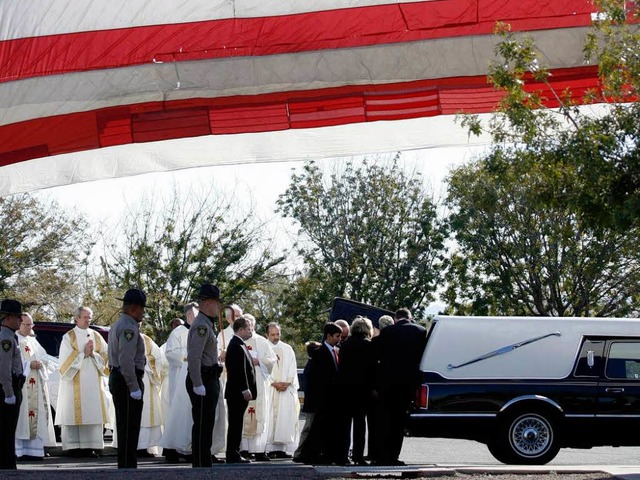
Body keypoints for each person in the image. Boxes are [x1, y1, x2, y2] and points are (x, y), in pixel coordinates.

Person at [373, 308, 427, 466]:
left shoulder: (388, 331)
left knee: (385, 420)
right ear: (410, 318)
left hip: (388, 383)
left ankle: (382, 456)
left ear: (395, 318)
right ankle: (394, 456)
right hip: (408, 383)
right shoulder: (420, 331)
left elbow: (379, 357)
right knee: (399, 422)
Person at [56, 306, 110, 458]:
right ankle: (73, 447)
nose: (88, 320)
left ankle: (91, 445)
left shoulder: (96, 336)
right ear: (77, 318)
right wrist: (82, 355)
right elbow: (64, 364)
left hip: (93, 382)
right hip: (74, 383)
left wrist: (93, 355)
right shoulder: (69, 337)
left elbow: (105, 357)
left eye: (90, 317)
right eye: (85, 317)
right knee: (74, 412)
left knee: (92, 412)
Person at [108, 288, 147, 469]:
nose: (142, 312)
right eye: (141, 308)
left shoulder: (120, 324)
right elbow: (126, 359)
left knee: (127, 426)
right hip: (126, 380)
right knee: (129, 427)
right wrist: (133, 386)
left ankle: (126, 465)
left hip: (121, 378)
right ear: (133, 308)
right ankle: (127, 468)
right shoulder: (128, 327)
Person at [186, 283, 223, 468]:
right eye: (216, 302)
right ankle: (200, 464)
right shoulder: (201, 325)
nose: (219, 307)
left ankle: (203, 462)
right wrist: (197, 383)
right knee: (202, 425)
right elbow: (194, 357)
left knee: (207, 424)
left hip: (209, 377)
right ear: (207, 302)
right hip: (203, 379)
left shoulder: (207, 324)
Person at [15, 313, 56, 460]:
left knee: (34, 418)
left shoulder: (32, 341)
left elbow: (45, 357)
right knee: (21, 418)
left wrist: (40, 364)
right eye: (27, 324)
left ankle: (34, 451)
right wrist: (28, 365)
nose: (30, 327)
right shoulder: (14, 339)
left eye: (31, 324)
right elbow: (11, 363)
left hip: (35, 385)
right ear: (19, 323)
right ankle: (18, 451)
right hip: (21, 386)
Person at [160, 303, 198, 463]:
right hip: (181, 380)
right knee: (179, 413)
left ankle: (190, 447)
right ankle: (175, 448)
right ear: (189, 315)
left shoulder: (201, 331)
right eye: (196, 313)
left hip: (197, 379)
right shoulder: (178, 333)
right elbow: (170, 354)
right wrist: (188, 355)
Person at [336, 317, 376, 466]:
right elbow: (372, 370)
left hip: (346, 389)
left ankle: (342, 455)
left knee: (345, 424)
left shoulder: (345, 346)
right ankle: (358, 456)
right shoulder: (369, 346)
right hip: (363, 390)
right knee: (360, 424)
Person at [303, 322, 342, 465]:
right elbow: (317, 378)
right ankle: (310, 454)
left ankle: (324, 454)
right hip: (323, 398)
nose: (339, 339)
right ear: (328, 336)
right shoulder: (320, 353)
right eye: (337, 336)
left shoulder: (335, 351)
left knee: (326, 429)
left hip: (332, 399)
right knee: (318, 428)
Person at [239, 313, 277, 462]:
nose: (249, 328)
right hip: (244, 383)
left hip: (259, 383)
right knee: (243, 416)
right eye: (246, 325)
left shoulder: (262, 341)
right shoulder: (238, 341)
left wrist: (258, 361)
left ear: (253, 325)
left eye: (251, 325)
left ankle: (259, 449)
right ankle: (244, 449)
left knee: (260, 415)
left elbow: (271, 360)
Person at [224, 315, 256, 464]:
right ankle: (233, 454)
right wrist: (245, 389)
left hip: (238, 392)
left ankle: (234, 452)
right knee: (235, 424)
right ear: (241, 329)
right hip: (237, 393)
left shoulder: (239, 343)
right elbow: (238, 370)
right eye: (249, 329)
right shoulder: (236, 345)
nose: (251, 331)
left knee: (237, 424)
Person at [265, 323, 299, 458]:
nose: (276, 337)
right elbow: (262, 368)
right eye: (272, 334)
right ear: (266, 334)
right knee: (270, 419)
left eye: (278, 334)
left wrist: (287, 382)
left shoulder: (287, 348)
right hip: (271, 390)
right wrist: (273, 383)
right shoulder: (264, 347)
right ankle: (268, 449)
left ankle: (282, 449)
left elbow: (292, 367)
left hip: (285, 390)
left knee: (284, 419)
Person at [0, 299, 25, 469]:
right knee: (6, 431)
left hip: (10, 387)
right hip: (7, 390)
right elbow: (4, 369)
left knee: (7, 431)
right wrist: (9, 394)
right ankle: (7, 466)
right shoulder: (6, 338)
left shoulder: (9, 335)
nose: (21, 320)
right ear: (7, 318)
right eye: (17, 317)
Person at [292, 341, 321, 463]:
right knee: (308, 428)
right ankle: (299, 452)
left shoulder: (311, 365)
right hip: (313, 403)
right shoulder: (313, 366)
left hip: (311, 403)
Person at [137, 332, 164, 457]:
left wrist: (146, 360)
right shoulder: (123, 335)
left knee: (147, 414)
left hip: (147, 380)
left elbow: (158, 357)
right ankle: (134, 447)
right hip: (130, 378)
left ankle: (146, 446)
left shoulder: (147, 340)